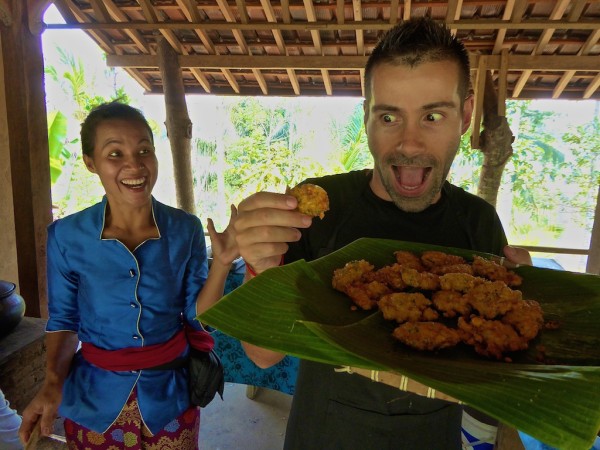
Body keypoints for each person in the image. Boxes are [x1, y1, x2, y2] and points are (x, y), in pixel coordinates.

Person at [233, 18, 532, 450]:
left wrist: (521, 314)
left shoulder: (478, 221)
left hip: (433, 433)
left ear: (465, 116)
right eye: (389, 115)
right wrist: (259, 267)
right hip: (325, 433)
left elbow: (488, 365)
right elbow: (262, 356)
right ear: (367, 118)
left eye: (432, 115)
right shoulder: (314, 211)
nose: (408, 143)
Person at [18, 101, 238, 449]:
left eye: (144, 150)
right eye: (115, 153)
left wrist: (223, 263)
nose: (134, 164)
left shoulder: (186, 229)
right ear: (91, 163)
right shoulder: (66, 236)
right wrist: (52, 381)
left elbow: (200, 318)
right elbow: (63, 319)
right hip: (93, 399)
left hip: (170, 397)